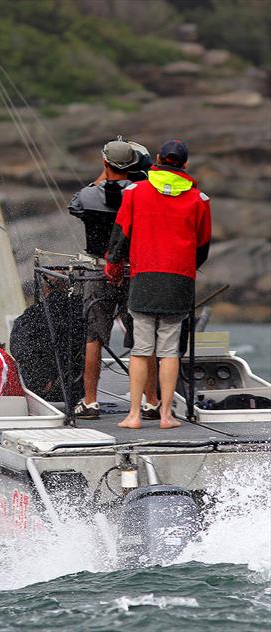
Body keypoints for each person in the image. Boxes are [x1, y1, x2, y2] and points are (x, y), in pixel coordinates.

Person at [105, 139, 211, 429]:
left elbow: (121, 234)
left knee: (141, 350)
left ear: (157, 158)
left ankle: (134, 415)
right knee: (169, 352)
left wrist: (112, 265)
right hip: (179, 280)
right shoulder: (199, 200)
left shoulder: (135, 192)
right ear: (185, 165)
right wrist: (188, 270)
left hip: (145, 277)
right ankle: (166, 415)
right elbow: (202, 246)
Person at [68, 137, 159, 420]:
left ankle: (90, 402)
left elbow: (74, 207)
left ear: (105, 162)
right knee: (143, 339)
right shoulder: (142, 193)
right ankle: (152, 402)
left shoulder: (88, 195)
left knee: (93, 338)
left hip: (98, 271)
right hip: (136, 271)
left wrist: (103, 175)